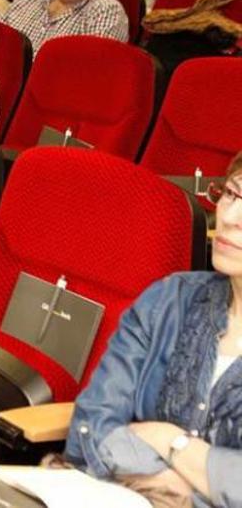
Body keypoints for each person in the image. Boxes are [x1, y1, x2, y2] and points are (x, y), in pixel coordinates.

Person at [65, 150, 242, 506]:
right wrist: (178, 481)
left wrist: (170, 442)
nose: (230, 217)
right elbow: (90, 428)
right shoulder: (168, 300)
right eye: (232, 194)